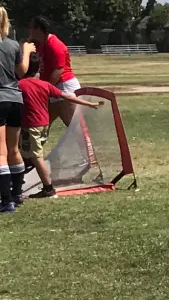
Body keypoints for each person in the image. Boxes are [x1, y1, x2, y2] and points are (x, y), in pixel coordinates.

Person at [17, 66, 105, 202]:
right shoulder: (45, 84)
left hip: (31, 125)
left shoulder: (20, 85)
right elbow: (68, 96)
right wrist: (88, 103)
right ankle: (18, 184)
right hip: (43, 124)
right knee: (25, 153)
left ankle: (48, 189)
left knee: (36, 157)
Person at [25, 16, 79, 129]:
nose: (28, 30)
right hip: (51, 87)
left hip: (64, 86)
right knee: (40, 124)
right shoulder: (39, 44)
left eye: (30, 28)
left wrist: (45, 89)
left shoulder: (54, 44)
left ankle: (88, 147)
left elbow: (59, 70)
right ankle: (33, 147)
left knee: (74, 126)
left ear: (38, 29)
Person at [0, 8, 25, 213]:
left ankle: (6, 200)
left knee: (0, 152)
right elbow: (22, 72)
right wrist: (26, 52)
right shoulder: (13, 44)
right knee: (14, 150)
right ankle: (17, 194)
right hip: (16, 99)